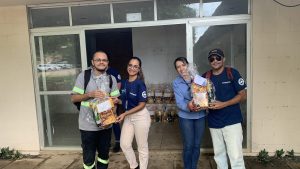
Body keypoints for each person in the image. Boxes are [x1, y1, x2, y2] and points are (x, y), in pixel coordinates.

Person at [71, 51, 120, 169]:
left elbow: (115, 101)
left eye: (104, 60)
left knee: (104, 156)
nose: (101, 62)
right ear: (93, 62)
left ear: (107, 63)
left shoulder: (111, 79)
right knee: (88, 159)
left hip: (106, 126)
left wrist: (114, 108)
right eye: (98, 60)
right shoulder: (84, 76)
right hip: (88, 126)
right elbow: (73, 98)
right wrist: (90, 94)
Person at [203, 48, 247, 169]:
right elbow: (200, 98)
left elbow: (243, 95)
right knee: (219, 156)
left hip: (232, 121)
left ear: (223, 59)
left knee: (236, 156)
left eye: (218, 58)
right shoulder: (205, 77)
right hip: (214, 122)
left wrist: (224, 104)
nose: (215, 61)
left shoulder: (232, 73)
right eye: (212, 59)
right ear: (209, 61)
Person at [116, 57, 151, 169]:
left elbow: (142, 104)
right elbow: (125, 101)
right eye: (130, 65)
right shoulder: (125, 82)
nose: (132, 68)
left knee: (142, 147)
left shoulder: (140, 84)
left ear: (139, 69)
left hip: (140, 116)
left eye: (135, 66)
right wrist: (118, 101)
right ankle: (134, 165)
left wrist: (125, 114)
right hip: (128, 115)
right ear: (127, 67)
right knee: (124, 144)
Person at [172, 57, 206, 169]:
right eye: (178, 67)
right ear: (176, 70)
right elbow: (179, 102)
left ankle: (194, 166)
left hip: (200, 115)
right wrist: (188, 106)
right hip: (186, 116)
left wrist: (203, 103)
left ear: (188, 65)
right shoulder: (176, 82)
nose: (181, 68)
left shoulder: (198, 79)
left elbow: (204, 97)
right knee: (188, 145)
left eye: (183, 65)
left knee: (196, 145)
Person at [107, 67, 122, 152]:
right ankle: (107, 142)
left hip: (113, 98)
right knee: (105, 120)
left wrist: (114, 98)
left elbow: (119, 84)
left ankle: (118, 142)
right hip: (101, 100)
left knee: (114, 119)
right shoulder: (93, 72)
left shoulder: (113, 72)